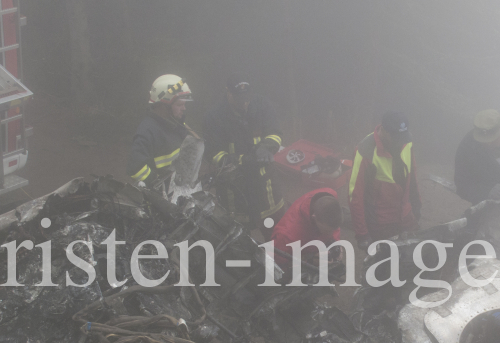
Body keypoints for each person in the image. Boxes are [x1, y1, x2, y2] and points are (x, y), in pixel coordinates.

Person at [204, 73, 285, 236]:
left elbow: (275, 132)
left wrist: (266, 147)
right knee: (240, 244)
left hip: (266, 189)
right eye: (240, 99)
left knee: (277, 236)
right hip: (235, 193)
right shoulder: (214, 117)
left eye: (247, 98)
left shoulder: (262, 105)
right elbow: (213, 152)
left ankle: (278, 261)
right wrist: (240, 160)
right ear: (228, 93)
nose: (245, 103)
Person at [348, 111, 421, 250]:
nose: (400, 141)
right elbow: (355, 196)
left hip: (406, 216)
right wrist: (362, 234)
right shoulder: (365, 150)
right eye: (396, 136)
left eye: (402, 136)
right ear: (384, 130)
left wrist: (417, 207)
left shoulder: (407, 141)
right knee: (384, 266)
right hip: (380, 223)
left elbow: (412, 178)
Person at [127, 74, 196, 187]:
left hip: (176, 193)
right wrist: (158, 183)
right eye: (179, 104)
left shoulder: (176, 125)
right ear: (163, 105)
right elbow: (135, 168)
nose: (184, 108)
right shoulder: (147, 131)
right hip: (158, 199)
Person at [271, 187, 342, 269]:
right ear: (314, 217)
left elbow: (334, 227)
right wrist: (309, 261)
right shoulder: (287, 237)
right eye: (327, 231)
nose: (331, 234)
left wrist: (336, 242)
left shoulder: (330, 196)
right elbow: (278, 265)